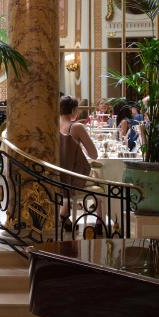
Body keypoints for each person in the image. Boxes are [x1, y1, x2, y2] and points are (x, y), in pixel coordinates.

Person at [58, 95, 97, 228]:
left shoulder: (53, 125)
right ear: (74, 110)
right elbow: (94, 154)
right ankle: (99, 222)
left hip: (57, 174)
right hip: (73, 176)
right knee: (103, 182)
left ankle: (64, 211)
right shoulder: (77, 127)